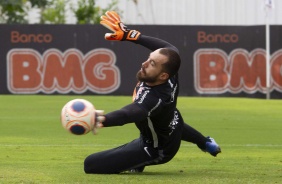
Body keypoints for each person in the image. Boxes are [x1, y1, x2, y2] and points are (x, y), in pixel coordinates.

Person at [84, 11, 221, 174]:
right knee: (171, 119)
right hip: (171, 123)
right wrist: (130, 35)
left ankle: (139, 160)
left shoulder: (154, 98)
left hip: (157, 148)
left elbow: (130, 113)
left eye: (152, 63)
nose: (144, 63)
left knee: (90, 164)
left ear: (163, 75)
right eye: (148, 58)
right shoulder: (170, 69)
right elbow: (170, 49)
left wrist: (101, 119)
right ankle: (205, 143)